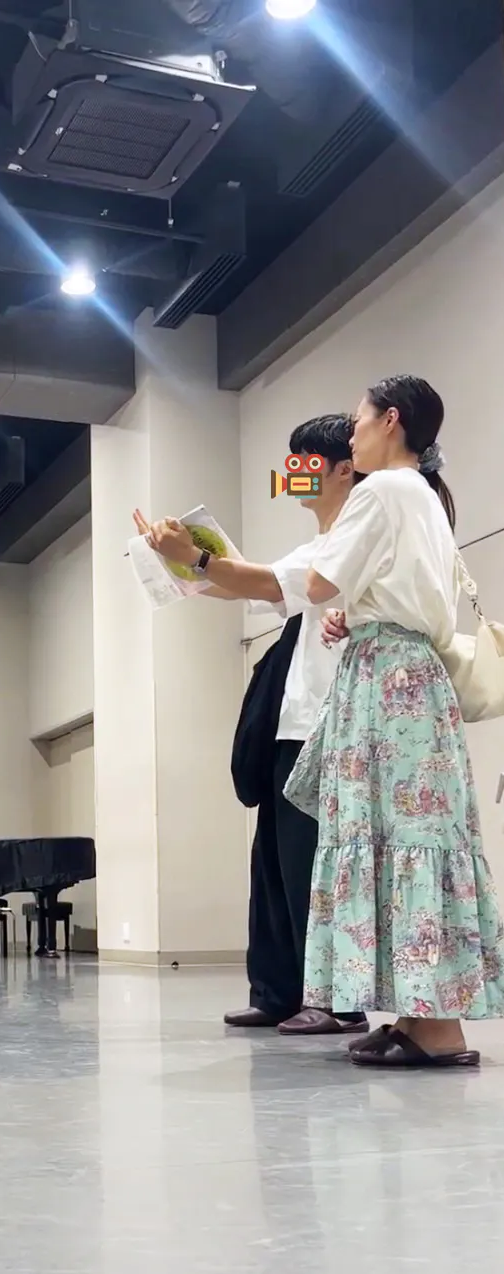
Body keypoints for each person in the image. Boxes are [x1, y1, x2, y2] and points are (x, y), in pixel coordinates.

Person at [284, 374, 504, 1068]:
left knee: (401, 837)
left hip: (389, 685)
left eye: (357, 421)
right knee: (410, 836)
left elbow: (317, 582)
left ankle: (438, 1028)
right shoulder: (424, 496)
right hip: (409, 676)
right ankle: (417, 1017)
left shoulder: (380, 490)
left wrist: (338, 596)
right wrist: (359, 613)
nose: (350, 435)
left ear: (390, 420)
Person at [134, 415, 367, 1036]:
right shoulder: (317, 544)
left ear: (343, 468)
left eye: (304, 461)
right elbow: (245, 587)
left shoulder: (353, 537)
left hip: (332, 724)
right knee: (275, 866)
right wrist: (174, 557)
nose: (292, 472)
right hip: (293, 724)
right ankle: (279, 992)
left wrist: (196, 556)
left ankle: (336, 1000)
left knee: (313, 866)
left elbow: (258, 582)